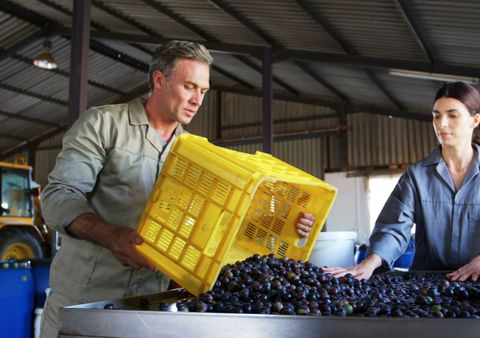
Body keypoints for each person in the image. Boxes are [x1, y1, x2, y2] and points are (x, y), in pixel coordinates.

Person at [40, 40, 314, 337]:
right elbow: (58, 196)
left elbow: (218, 223)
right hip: (85, 303)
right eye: (189, 87)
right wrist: (112, 236)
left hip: (150, 309)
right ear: (159, 79)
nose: (198, 99)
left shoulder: (195, 154)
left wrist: (283, 225)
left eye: (203, 91)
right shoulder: (104, 125)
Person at [325, 82, 480, 282]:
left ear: (474, 120)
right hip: (429, 287)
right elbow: (394, 227)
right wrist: (369, 262)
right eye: (436, 116)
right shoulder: (417, 176)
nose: (442, 124)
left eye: (452, 115)